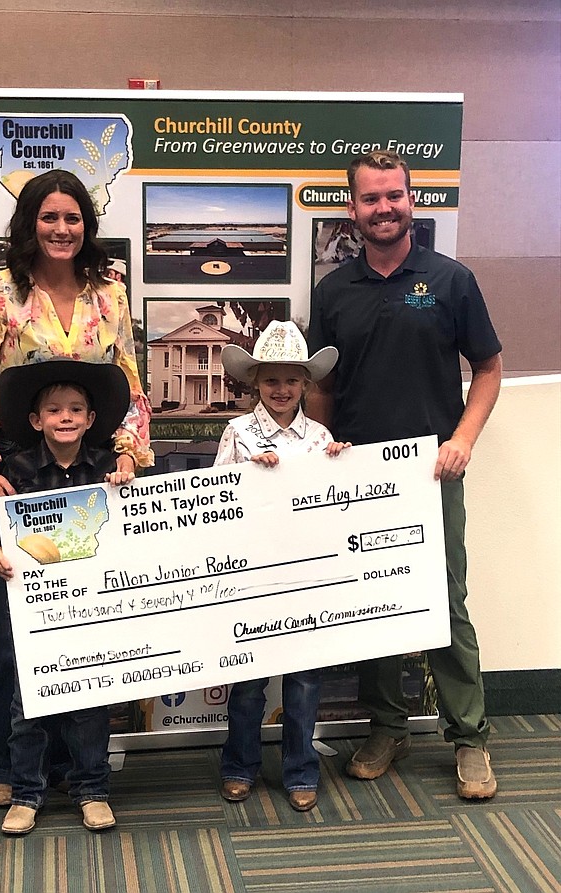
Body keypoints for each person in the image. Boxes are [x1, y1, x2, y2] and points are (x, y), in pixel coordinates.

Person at [0, 169, 154, 809]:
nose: (62, 229)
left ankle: (69, 767)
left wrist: (126, 454)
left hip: (90, 468)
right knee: (15, 631)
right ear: (29, 223)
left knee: (81, 620)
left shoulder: (109, 289)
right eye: (49, 217)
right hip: (19, 467)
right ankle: (5, 764)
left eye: (73, 218)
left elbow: (126, 373)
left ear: (87, 226)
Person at [306, 150, 502, 799]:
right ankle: (388, 726)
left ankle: (469, 737)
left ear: (411, 199)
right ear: (353, 209)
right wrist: (327, 449)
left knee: (445, 604)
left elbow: (489, 369)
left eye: (394, 195)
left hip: (432, 475)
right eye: (371, 198)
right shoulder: (333, 291)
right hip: (362, 479)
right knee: (379, 605)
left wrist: (463, 439)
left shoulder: (452, 280)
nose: (383, 207)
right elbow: (322, 390)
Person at [0, 358, 130, 834]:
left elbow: (140, 531)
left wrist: (128, 490)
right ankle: (27, 791)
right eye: (54, 410)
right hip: (35, 610)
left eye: (76, 409)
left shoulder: (111, 469)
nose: (65, 417)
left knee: (90, 702)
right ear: (35, 420)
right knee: (28, 703)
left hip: (92, 606)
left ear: (90, 419)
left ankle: (92, 789)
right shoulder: (15, 470)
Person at [215, 321, 350, 812]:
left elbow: (335, 503)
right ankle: (238, 765)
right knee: (248, 682)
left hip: (306, 574)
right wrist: (248, 475)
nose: (281, 389)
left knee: (305, 681)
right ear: (256, 383)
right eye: (271, 379)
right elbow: (214, 502)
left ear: (305, 385)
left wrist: (342, 464)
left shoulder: (319, 436)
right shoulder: (238, 432)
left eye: (291, 380)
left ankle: (300, 769)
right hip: (253, 572)